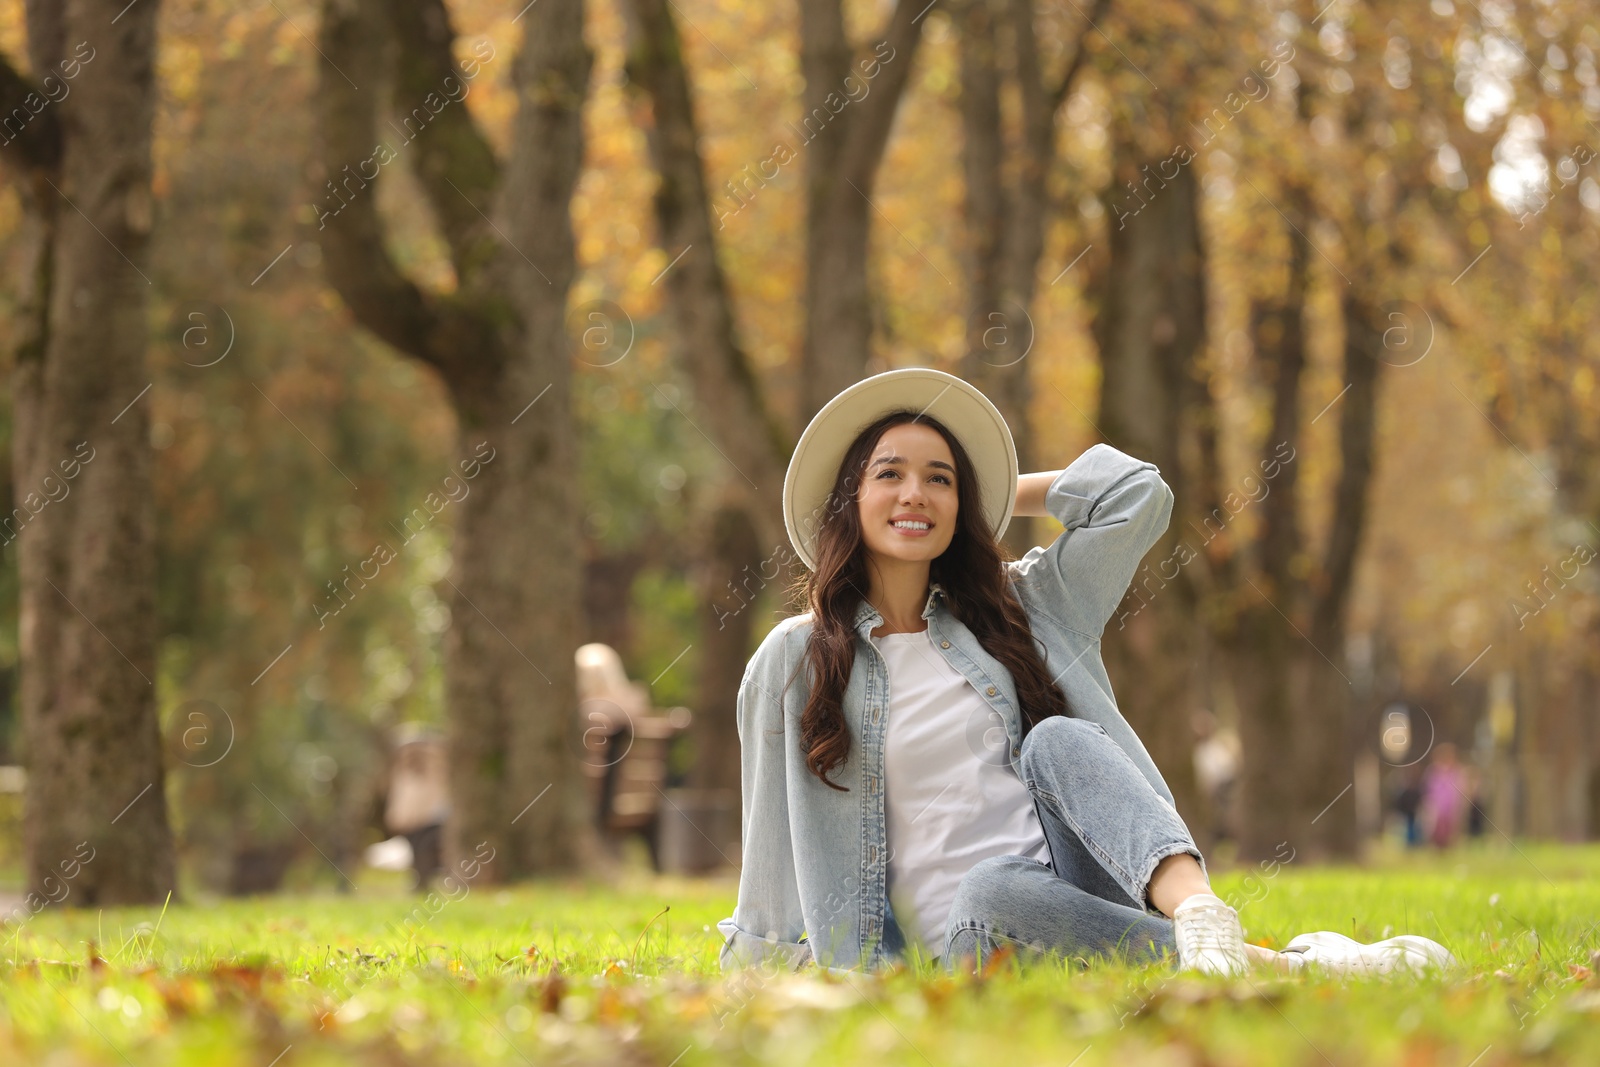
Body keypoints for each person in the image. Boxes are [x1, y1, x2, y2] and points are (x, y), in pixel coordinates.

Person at [716, 367, 1455, 979]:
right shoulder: (795, 657)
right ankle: (1293, 970)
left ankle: (1200, 917)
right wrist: (757, 977)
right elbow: (773, 848)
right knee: (990, 887)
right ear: (851, 497)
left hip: (1084, 895)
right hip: (952, 959)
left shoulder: (1028, 605)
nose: (916, 493)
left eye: (940, 479)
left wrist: (997, 493)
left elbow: (1138, 496)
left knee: (1055, 741)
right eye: (891, 474)